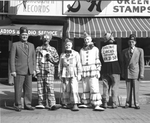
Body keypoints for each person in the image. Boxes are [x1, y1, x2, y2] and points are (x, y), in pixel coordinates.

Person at [10, 26, 36, 112]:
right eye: (23, 34)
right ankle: (18, 105)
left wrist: (34, 69)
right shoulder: (15, 45)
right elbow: (12, 58)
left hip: (29, 70)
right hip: (19, 70)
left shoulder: (32, 45)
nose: (24, 36)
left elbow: (33, 58)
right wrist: (13, 70)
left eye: (26, 35)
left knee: (28, 89)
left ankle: (27, 104)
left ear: (28, 35)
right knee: (18, 88)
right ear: (20, 35)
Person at [79, 31, 104, 111]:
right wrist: (79, 72)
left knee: (94, 86)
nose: (87, 40)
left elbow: (97, 59)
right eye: (85, 39)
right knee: (85, 86)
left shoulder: (95, 49)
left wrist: (98, 70)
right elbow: (79, 61)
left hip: (93, 69)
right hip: (84, 70)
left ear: (91, 39)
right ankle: (86, 102)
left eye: (88, 39)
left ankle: (96, 104)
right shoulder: (81, 50)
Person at [35, 33, 59, 110]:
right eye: (44, 39)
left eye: (47, 39)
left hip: (49, 71)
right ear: (42, 39)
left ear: (50, 40)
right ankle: (41, 103)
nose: (46, 40)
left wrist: (50, 57)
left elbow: (56, 60)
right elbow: (35, 60)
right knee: (40, 88)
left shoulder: (53, 49)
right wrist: (36, 70)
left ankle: (52, 104)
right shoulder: (38, 49)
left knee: (50, 88)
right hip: (40, 70)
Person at [58, 38, 82, 111]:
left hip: (73, 73)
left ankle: (75, 103)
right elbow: (60, 65)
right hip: (65, 73)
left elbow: (79, 64)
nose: (67, 46)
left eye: (69, 44)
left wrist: (79, 74)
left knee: (74, 88)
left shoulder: (76, 53)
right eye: (66, 45)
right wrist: (59, 74)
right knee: (66, 88)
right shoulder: (62, 54)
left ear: (71, 45)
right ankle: (68, 103)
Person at [122, 34, 144, 109]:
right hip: (128, 71)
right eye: (130, 42)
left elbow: (142, 63)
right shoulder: (125, 51)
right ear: (128, 42)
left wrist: (141, 73)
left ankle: (136, 103)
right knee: (128, 89)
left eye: (133, 42)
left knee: (136, 89)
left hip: (136, 72)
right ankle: (128, 103)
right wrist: (123, 72)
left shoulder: (140, 50)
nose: (131, 43)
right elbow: (123, 63)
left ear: (135, 42)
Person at [101, 32, 122, 109]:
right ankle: (114, 102)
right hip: (115, 70)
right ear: (111, 39)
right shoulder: (116, 47)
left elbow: (101, 60)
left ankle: (105, 102)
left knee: (105, 87)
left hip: (105, 70)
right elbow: (121, 59)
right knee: (114, 86)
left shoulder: (103, 48)